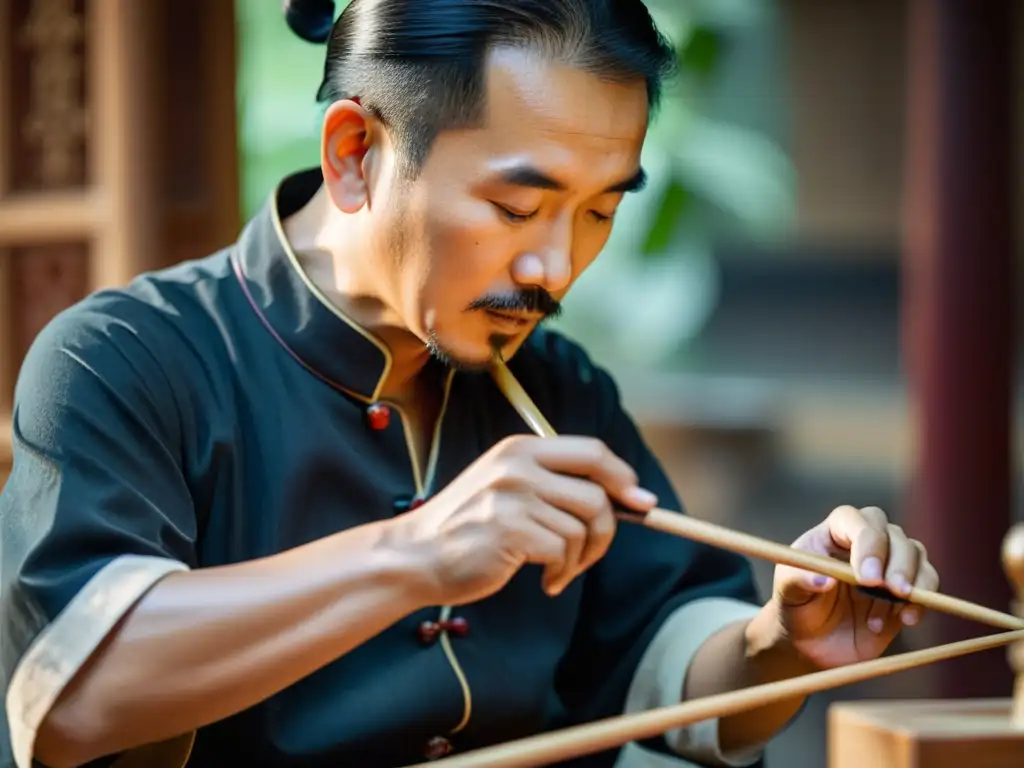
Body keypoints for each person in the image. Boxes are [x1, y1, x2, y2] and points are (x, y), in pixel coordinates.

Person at [0, 1, 940, 767]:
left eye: (599, 211)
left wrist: (782, 642)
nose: (556, 268)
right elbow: (75, 698)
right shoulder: (125, 362)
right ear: (354, 153)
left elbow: (664, 662)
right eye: (516, 206)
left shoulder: (554, 388)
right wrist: (417, 553)